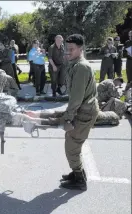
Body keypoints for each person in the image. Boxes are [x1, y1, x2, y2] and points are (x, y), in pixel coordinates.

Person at [60, 34, 99, 191]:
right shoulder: (75, 64)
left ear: (81, 49)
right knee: (72, 142)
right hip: (83, 110)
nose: (67, 52)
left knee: (72, 146)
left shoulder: (81, 67)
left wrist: (67, 119)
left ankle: (80, 179)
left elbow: (76, 98)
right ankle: (76, 172)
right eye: (66, 49)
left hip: (84, 112)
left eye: (71, 49)